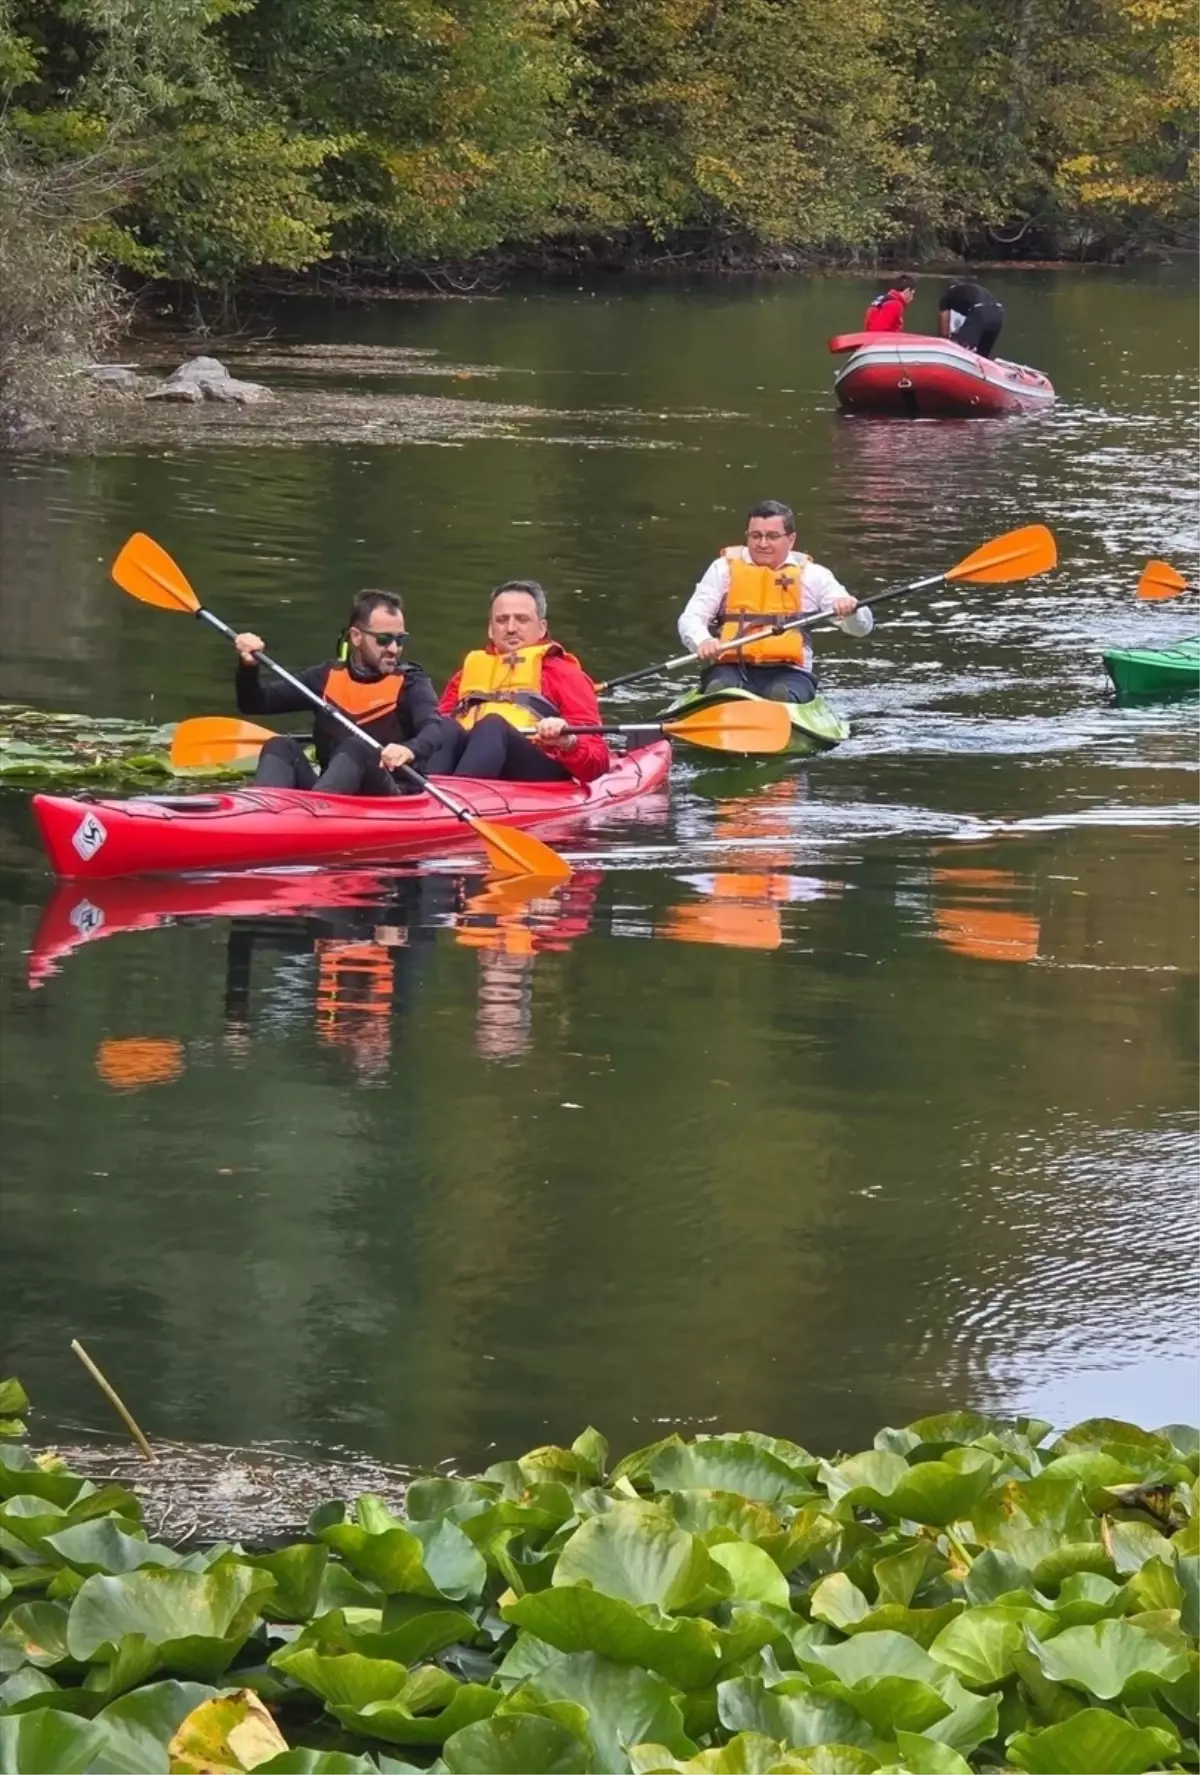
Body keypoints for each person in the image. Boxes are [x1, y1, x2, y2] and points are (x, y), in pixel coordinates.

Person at [233, 589, 442, 795]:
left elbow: (434, 730)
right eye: (384, 639)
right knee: (279, 745)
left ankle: (314, 816)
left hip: (391, 798)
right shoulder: (325, 678)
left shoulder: (411, 684)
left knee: (357, 748)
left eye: (400, 640)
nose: (394, 649)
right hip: (330, 798)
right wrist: (248, 667)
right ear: (356, 636)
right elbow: (254, 703)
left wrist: (409, 750)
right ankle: (262, 813)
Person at [677, 501, 873, 704]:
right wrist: (703, 641)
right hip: (730, 668)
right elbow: (691, 618)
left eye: (772, 536)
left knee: (780, 695)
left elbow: (862, 628)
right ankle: (719, 710)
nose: (762, 544)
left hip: (790, 673)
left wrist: (851, 612)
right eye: (755, 536)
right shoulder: (722, 569)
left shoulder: (814, 575)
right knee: (722, 691)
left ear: (791, 539)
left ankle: (782, 720)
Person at [422, 580, 611, 783]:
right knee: (444, 727)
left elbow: (598, 762)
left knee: (492, 726)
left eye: (522, 619)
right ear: (490, 629)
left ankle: (456, 800)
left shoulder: (565, 674)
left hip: (535, 770)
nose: (511, 628)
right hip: (471, 761)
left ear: (541, 628)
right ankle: (426, 795)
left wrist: (568, 741)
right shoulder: (465, 675)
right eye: (502, 620)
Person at [938, 277, 1004, 358]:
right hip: (998, 314)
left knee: (959, 349)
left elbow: (944, 332)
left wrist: (942, 347)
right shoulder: (970, 291)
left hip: (980, 311)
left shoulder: (948, 295)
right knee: (982, 356)